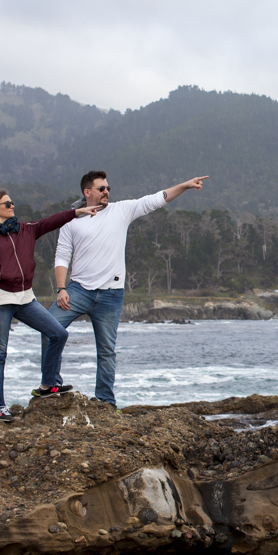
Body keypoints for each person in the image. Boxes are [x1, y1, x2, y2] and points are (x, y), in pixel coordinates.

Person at [45, 171, 207, 408]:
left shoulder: (121, 210)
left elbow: (156, 199)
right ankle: (51, 385)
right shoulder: (71, 220)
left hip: (111, 294)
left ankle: (105, 401)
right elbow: (61, 257)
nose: (106, 192)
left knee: (107, 351)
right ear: (87, 192)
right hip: (78, 290)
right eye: (101, 188)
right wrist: (61, 288)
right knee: (48, 328)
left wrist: (185, 185)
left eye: (108, 188)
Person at [0, 189, 99, 422]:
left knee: (58, 334)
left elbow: (50, 222)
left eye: (12, 202)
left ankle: (48, 385)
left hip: (25, 299)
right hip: (0, 301)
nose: (12, 206)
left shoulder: (25, 229)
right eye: (7, 203)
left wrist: (77, 212)